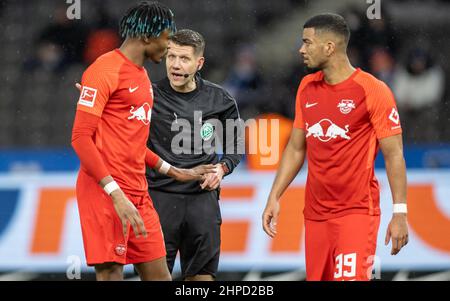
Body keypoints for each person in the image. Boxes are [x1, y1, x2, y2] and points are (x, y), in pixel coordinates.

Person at [71, 2, 214, 281]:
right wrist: (116, 194)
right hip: (106, 193)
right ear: (148, 37)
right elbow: (80, 138)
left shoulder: (142, 75)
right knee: (111, 275)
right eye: (166, 39)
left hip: (138, 192)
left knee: (160, 276)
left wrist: (174, 171)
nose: (169, 48)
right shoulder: (104, 71)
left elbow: (132, 143)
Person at [262, 13, 409, 281]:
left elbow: (394, 154)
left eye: (307, 42)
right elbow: (296, 148)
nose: (301, 49)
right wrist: (275, 195)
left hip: (356, 213)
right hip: (315, 215)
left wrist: (400, 213)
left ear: (329, 47)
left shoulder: (373, 90)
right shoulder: (306, 87)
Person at [147, 29, 243, 281]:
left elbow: (235, 145)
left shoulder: (220, 99)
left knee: (201, 277)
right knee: (156, 276)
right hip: (159, 198)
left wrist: (222, 169)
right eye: (171, 57)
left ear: (199, 63)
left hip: (202, 199)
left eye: (184, 59)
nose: (175, 65)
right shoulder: (149, 96)